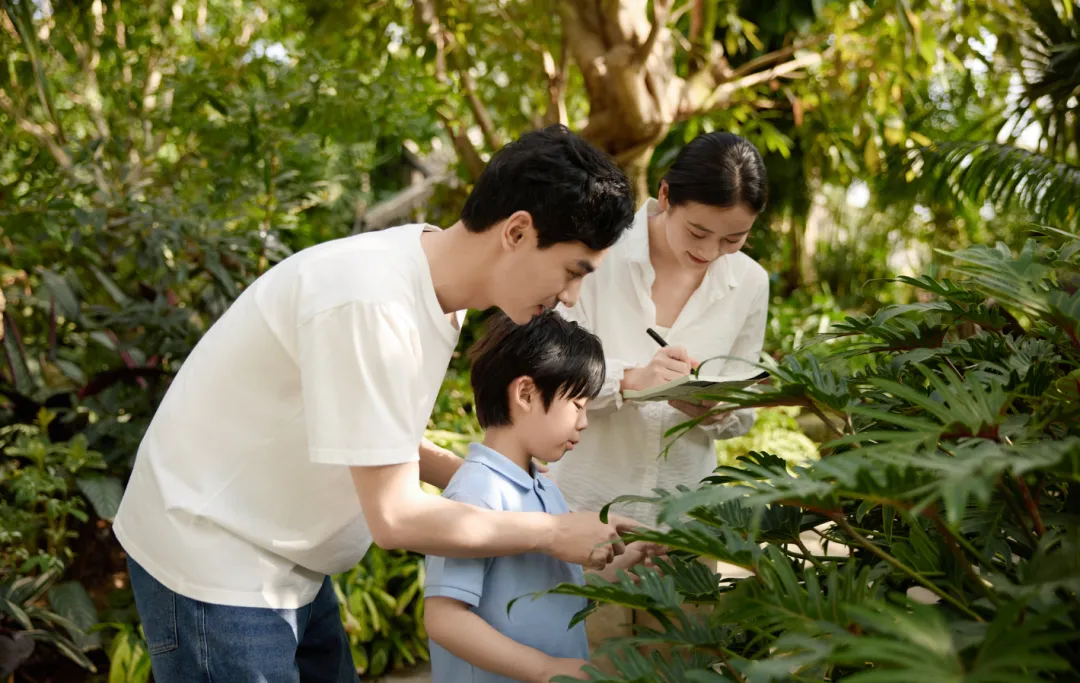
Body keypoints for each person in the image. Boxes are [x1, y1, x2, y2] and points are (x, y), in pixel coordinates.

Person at [112, 125, 640, 683]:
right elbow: (395, 518)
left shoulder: (435, 291)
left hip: (291, 560)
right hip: (215, 557)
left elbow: (370, 431)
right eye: (573, 270)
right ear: (516, 232)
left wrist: (492, 482)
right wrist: (553, 533)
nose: (571, 296)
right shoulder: (371, 302)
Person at [547, 131, 769, 663]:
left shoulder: (751, 284)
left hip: (686, 526)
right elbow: (545, 368)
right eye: (698, 231)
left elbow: (745, 407)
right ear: (665, 196)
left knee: (684, 670)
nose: (709, 252)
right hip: (586, 516)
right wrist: (627, 381)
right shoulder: (599, 254)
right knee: (586, 668)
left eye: (733, 240)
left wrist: (715, 411)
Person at [424, 311, 661, 683]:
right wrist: (544, 669)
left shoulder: (545, 488)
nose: (584, 421)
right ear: (526, 393)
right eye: (578, 405)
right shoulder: (476, 492)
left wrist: (631, 555)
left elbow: (559, 589)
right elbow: (444, 618)